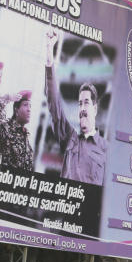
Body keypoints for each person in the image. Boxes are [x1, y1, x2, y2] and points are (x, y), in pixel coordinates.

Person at [44, 29, 107, 185]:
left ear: (95, 108)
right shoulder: (70, 138)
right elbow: (54, 105)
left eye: (86, 103)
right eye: (80, 104)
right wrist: (49, 54)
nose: (82, 109)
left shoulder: (106, 149)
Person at [0, 90, 35, 171]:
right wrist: (7, 97)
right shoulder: (6, 128)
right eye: (25, 105)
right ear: (16, 110)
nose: (29, 109)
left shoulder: (25, 135)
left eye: (30, 106)